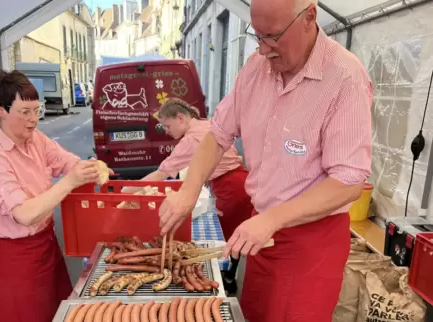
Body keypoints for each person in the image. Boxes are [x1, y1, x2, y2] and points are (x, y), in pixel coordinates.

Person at [158, 0, 373, 321]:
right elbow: (217, 135)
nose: (263, 49)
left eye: (272, 36)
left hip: (311, 246)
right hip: (262, 235)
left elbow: (348, 182)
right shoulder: (255, 68)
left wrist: (273, 219)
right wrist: (187, 193)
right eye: (257, 36)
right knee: (255, 314)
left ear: (309, 17)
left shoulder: (345, 77)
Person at [0, 70, 112, 322]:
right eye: (25, 112)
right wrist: (69, 182)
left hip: (47, 245)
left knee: (59, 313)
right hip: (15, 257)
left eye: (37, 110)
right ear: (1, 109)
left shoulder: (35, 139)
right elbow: (24, 214)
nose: (33, 119)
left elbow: (67, 162)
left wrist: (92, 167)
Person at [125, 98, 253, 292]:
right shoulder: (206, 124)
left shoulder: (192, 139)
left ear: (180, 118)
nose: (167, 131)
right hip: (239, 181)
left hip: (230, 188)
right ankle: (229, 277)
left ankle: (228, 280)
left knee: (230, 239)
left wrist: (127, 189)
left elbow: (162, 172)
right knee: (237, 236)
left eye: (167, 126)